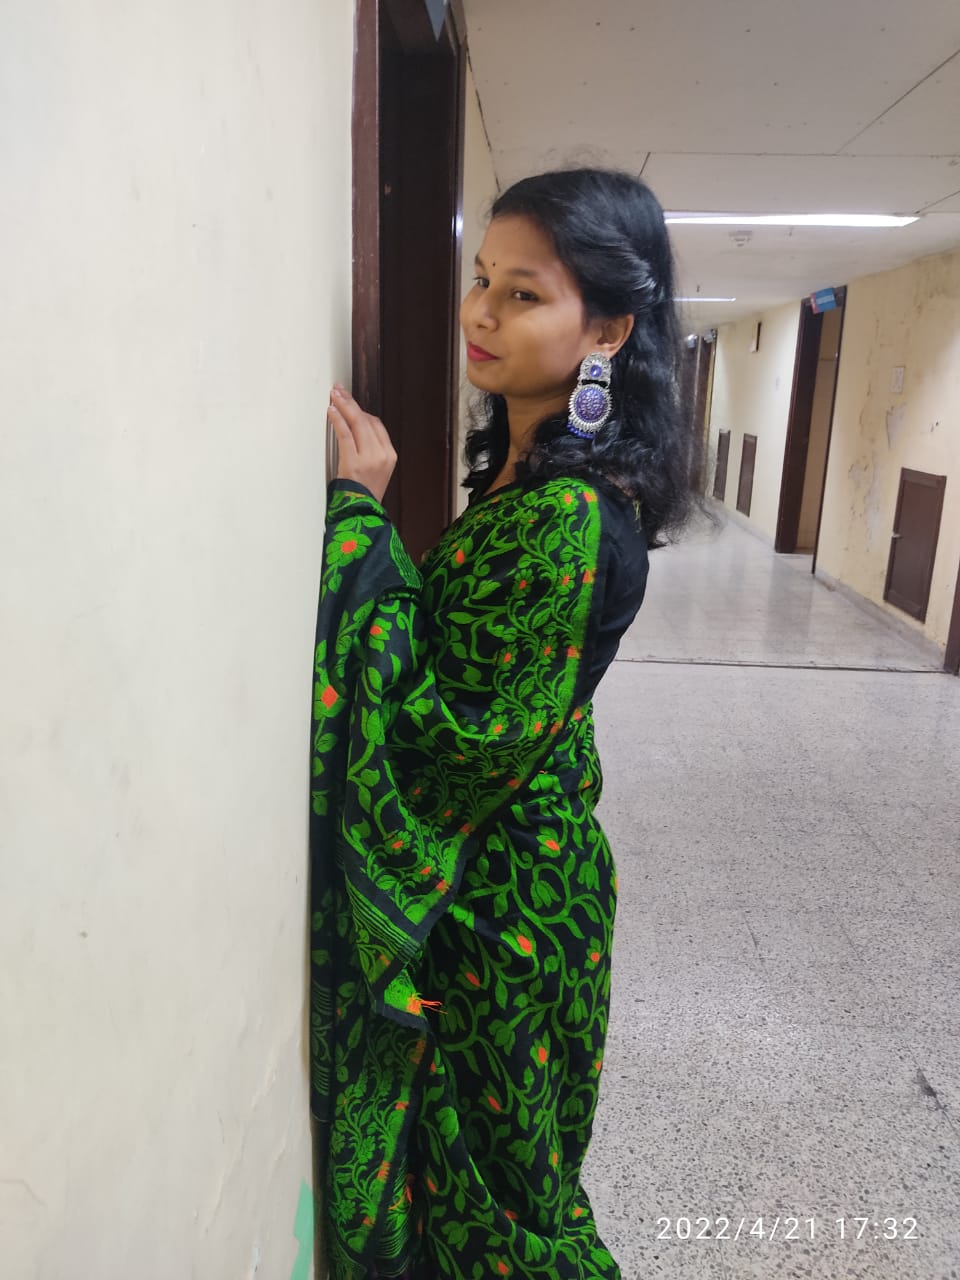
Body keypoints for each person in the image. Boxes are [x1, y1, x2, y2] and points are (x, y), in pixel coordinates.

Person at [310, 168, 698, 1280]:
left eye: (523, 294)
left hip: (504, 915)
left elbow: (447, 747)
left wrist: (358, 523)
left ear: (608, 331)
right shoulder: (535, 474)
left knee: (503, 1207)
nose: (479, 312)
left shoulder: (567, 516)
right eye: (482, 279)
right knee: (485, 1179)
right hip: (514, 878)